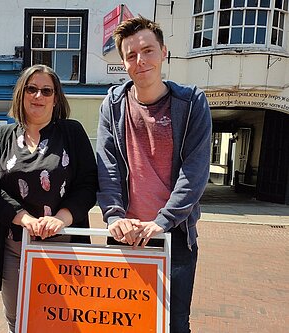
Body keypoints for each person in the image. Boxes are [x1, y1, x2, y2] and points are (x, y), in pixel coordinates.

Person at [96, 16, 211, 333]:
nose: (140, 60)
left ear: (164, 52)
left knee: (173, 325)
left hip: (174, 237)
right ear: (123, 62)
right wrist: (114, 216)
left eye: (147, 50)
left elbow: (195, 171)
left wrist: (162, 222)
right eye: (131, 55)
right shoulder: (114, 104)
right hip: (125, 234)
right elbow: (107, 165)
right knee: (121, 323)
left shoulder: (190, 103)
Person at [0, 64, 98, 333]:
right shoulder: (2, 137)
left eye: (46, 90)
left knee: (64, 324)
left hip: (64, 247)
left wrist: (61, 219)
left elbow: (88, 184)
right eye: (31, 89)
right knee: (19, 322)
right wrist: (25, 219)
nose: (38, 96)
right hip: (14, 249)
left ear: (56, 98)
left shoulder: (72, 133)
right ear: (21, 94)